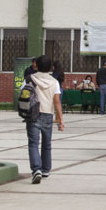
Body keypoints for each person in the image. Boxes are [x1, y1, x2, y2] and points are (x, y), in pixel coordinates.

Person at [26, 54, 65, 184]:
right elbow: (57, 102)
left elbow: (23, 94)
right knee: (47, 143)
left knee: (33, 143)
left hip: (33, 114)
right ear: (50, 67)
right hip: (48, 114)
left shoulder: (30, 78)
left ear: (36, 65)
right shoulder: (54, 82)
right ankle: (46, 169)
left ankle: (36, 169)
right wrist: (60, 120)